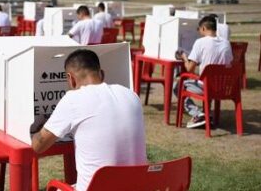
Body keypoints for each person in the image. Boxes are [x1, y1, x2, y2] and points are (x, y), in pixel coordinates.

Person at [31, 49, 147, 191]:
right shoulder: (131, 95)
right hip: (137, 186)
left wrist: (38, 129)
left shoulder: (73, 99)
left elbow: (38, 146)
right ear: (102, 74)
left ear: (71, 79)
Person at [174, 15, 233, 128]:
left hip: (207, 87)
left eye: (199, 29)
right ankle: (205, 114)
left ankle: (198, 114)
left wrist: (184, 57)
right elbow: (228, 64)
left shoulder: (200, 42)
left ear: (204, 29)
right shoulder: (226, 43)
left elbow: (189, 69)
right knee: (207, 78)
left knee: (177, 86)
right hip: (223, 87)